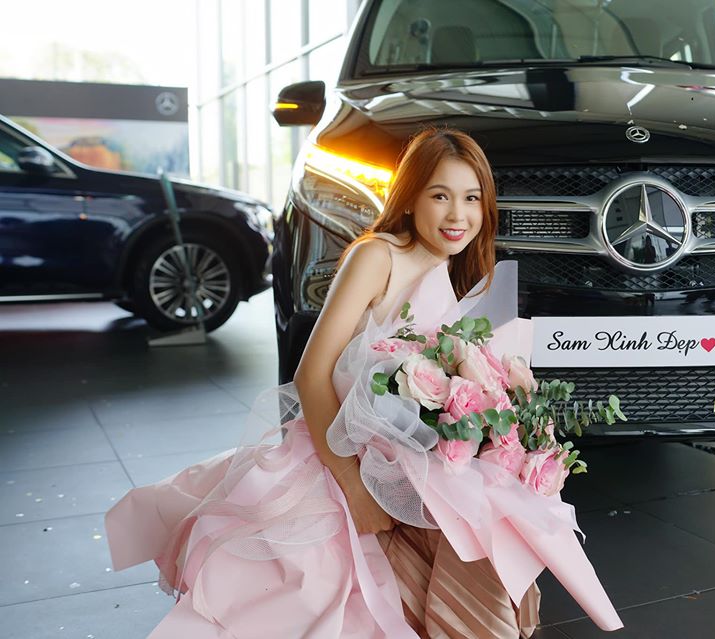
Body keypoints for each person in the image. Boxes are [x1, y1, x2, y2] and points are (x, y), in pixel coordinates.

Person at [104, 126, 621, 638]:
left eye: (471, 198)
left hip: (404, 464)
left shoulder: (450, 269)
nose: (457, 215)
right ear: (410, 198)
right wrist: (354, 486)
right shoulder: (378, 256)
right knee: (320, 599)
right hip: (342, 452)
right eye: (440, 195)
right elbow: (311, 373)